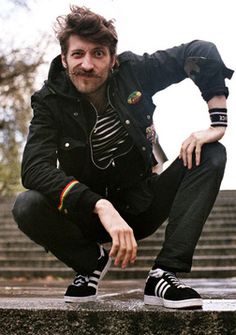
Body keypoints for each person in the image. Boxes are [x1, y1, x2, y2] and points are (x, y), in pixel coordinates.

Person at [12, 6, 233, 309]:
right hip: (88, 215)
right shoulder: (49, 100)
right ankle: (89, 264)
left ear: (113, 60)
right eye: (78, 55)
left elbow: (200, 51)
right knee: (26, 205)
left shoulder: (135, 71)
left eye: (98, 54)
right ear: (64, 60)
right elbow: (34, 168)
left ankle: (164, 274)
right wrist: (99, 205)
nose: (87, 65)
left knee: (211, 153)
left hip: (142, 205)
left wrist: (217, 124)